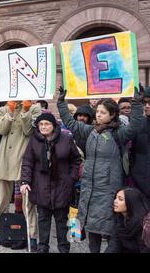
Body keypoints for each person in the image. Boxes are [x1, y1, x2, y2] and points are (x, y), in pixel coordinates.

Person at [57, 86, 144, 253]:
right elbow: (70, 122)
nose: (98, 115)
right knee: (91, 227)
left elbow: (135, 126)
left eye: (103, 112)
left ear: (112, 115)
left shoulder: (119, 133)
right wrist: (61, 102)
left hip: (108, 189)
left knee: (110, 228)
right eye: (97, 112)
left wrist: (137, 103)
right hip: (89, 188)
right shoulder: (90, 130)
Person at [20, 113, 82, 253]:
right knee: (43, 219)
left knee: (61, 219)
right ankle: (43, 247)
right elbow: (27, 162)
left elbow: (76, 160)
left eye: (47, 124)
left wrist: (71, 178)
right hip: (41, 185)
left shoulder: (66, 138)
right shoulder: (34, 140)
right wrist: (25, 181)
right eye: (41, 124)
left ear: (54, 126)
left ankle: (64, 248)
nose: (43, 127)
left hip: (62, 185)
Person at [0, 100, 41, 250]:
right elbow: (0, 130)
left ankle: (31, 235)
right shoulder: (4, 109)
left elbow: (29, 131)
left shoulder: (34, 109)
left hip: (23, 156)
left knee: (28, 202)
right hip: (5, 157)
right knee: (2, 200)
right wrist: (10, 112)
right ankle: (0, 231)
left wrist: (25, 111)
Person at [108, 187, 150, 253]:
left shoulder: (144, 224)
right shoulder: (119, 217)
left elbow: (145, 249)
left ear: (131, 202)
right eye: (116, 198)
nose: (115, 201)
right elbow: (114, 243)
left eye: (120, 199)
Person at [129, 87, 150, 201]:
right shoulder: (138, 125)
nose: (146, 106)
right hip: (139, 185)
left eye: (149, 102)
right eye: (144, 102)